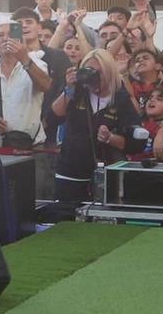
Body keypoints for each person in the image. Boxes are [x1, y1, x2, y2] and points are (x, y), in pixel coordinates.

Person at [49, 51, 134, 206]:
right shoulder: (77, 90)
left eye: (97, 72)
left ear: (108, 71)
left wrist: (109, 138)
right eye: (88, 70)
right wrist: (69, 89)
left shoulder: (121, 98)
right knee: (64, 215)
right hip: (71, 167)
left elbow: (133, 143)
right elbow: (54, 117)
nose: (92, 76)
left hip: (106, 171)